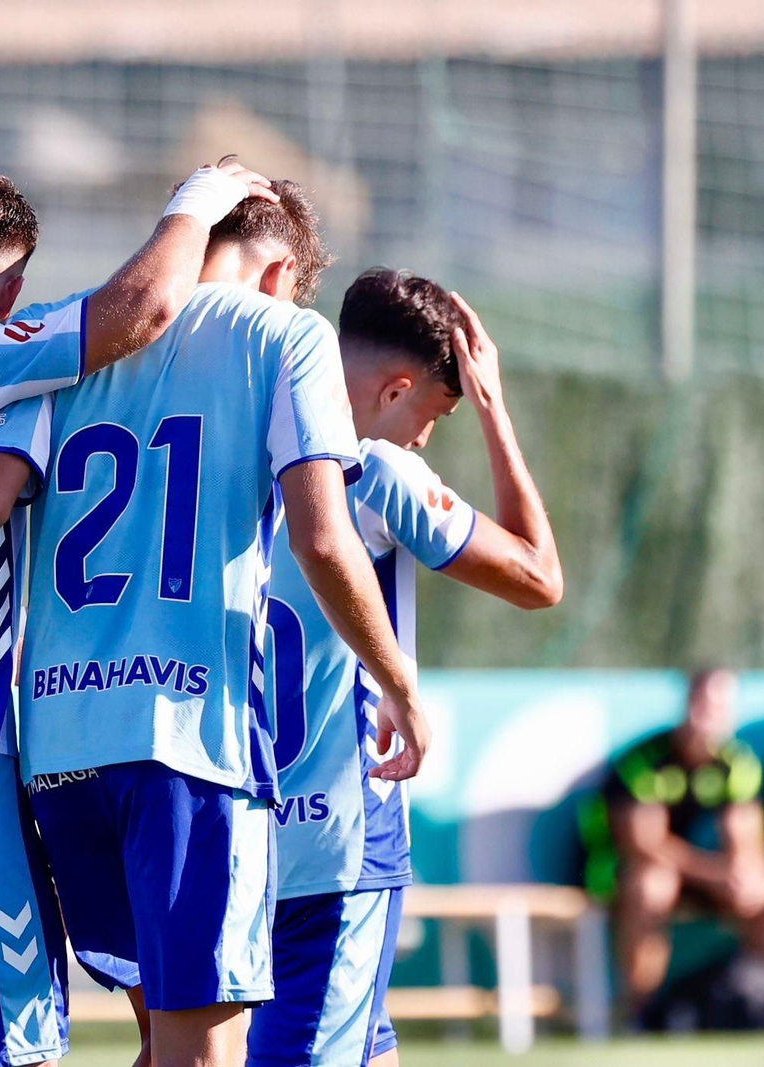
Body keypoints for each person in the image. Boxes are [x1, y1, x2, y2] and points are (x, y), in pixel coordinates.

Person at [0, 180, 432, 1067]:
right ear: (280, 273)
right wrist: (398, 680)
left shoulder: (69, 350)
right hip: (190, 741)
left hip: (62, 757)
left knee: (147, 1038)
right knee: (204, 1051)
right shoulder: (287, 337)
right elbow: (323, 536)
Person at [247, 270, 562, 1067]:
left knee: (356, 1042)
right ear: (396, 388)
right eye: (435, 411)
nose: (427, 436)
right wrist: (495, 412)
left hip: (237, 827)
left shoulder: (234, 456)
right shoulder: (377, 472)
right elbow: (539, 576)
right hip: (342, 835)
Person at [580, 667, 764, 1021]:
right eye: (704, 704)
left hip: (700, 873)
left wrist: (743, 876)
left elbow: (745, 833)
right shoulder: (647, 760)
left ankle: (754, 1000)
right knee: (652, 886)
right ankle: (641, 1014)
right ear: (688, 703)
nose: (710, 715)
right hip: (619, 867)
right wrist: (715, 874)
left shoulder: (737, 762)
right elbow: (644, 844)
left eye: (721, 707)